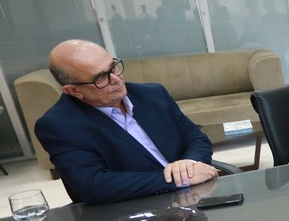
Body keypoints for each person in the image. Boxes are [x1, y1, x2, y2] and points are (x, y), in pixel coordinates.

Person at [35, 40, 217, 204]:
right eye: (100, 78)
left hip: (196, 195)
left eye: (113, 67)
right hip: (135, 210)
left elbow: (196, 138)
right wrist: (177, 179)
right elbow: (93, 185)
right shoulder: (58, 125)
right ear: (73, 90)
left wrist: (189, 163)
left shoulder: (153, 94)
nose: (116, 79)